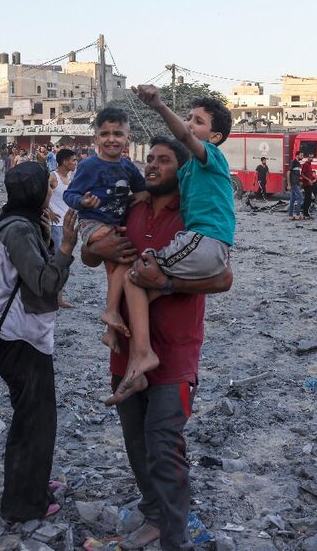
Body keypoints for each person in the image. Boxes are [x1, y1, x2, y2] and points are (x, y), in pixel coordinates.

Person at [82, 138, 233, 550]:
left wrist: (165, 283)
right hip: (124, 349)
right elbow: (91, 257)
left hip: (176, 352)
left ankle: (175, 537)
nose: (151, 165)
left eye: (163, 160)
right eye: (149, 158)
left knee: (165, 446)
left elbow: (223, 279)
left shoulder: (194, 216)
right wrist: (93, 248)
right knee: (135, 442)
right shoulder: (128, 207)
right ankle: (152, 516)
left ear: (182, 170)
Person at [112, 85, 236, 404]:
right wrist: (142, 193)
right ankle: (139, 351)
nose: (191, 125)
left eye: (198, 121)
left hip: (205, 241)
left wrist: (160, 107)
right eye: (189, 118)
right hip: (201, 244)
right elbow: (167, 186)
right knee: (139, 280)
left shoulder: (213, 158)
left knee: (141, 270)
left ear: (216, 137)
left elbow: (183, 139)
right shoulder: (189, 173)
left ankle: (141, 352)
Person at [0, 161, 78, 522]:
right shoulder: (18, 231)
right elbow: (45, 283)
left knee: (38, 419)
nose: (50, 190)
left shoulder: (16, 222)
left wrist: (44, 236)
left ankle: (33, 483)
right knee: (33, 423)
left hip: (20, 337)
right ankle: (23, 505)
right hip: (20, 340)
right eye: (47, 186)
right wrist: (67, 247)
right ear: (37, 192)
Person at [62, 107, 148, 355]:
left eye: (118, 134)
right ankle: (110, 313)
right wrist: (83, 203)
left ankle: (111, 327)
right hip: (93, 224)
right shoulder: (89, 165)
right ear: (96, 138)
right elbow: (70, 194)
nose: (112, 139)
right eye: (105, 134)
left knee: (116, 277)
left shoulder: (129, 167)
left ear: (127, 137)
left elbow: (142, 192)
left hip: (115, 226)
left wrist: (137, 200)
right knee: (123, 256)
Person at [48, 148, 78, 309]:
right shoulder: (53, 177)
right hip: (55, 226)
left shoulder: (71, 177)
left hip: (68, 226)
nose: (75, 163)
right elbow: (42, 196)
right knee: (57, 260)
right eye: (73, 160)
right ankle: (57, 299)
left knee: (65, 261)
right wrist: (50, 212)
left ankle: (58, 297)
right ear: (65, 161)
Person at [287, 152, 303, 221]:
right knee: (300, 197)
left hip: (296, 183)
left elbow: (297, 174)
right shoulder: (293, 162)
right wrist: (289, 184)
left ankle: (290, 215)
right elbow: (288, 173)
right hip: (293, 183)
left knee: (292, 199)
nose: (302, 157)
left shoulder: (299, 164)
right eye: (301, 155)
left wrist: (300, 182)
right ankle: (297, 215)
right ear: (297, 155)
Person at [300, 153, 315, 220]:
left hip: (309, 184)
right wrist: (309, 180)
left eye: (312, 157)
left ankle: (305, 212)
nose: (311, 158)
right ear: (307, 158)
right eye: (310, 157)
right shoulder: (305, 165)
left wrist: (313, 179)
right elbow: (302, 174)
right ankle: (305, 213)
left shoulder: (309, 165)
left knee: (309, 199)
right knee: (307, 199)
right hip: (306, 184)